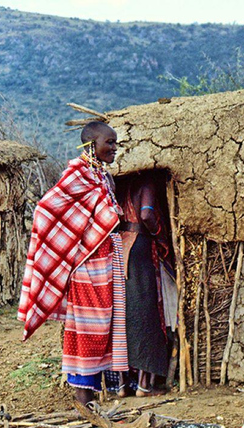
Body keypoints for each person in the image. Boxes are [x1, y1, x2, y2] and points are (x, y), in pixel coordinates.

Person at [18, 121, 127, 405]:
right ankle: (83, 397)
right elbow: (46, 208)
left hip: (106, 261)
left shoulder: (101, 176)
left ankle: (92, 397)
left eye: (116, 143)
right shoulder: (77, 175)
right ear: (91, 144)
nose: (114, 148)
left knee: (104, 327)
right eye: (109, 142)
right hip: (87, 267)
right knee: (86, 329)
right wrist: (74, 251)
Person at [115, 173, 172, 397]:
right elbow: (146, 214)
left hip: (119, 245)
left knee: (123, 313)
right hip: (139, 246)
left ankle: (120, 385)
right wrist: (160, 235)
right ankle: (143, 385)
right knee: (147, 311)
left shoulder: (117, 184)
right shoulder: (146, 182)